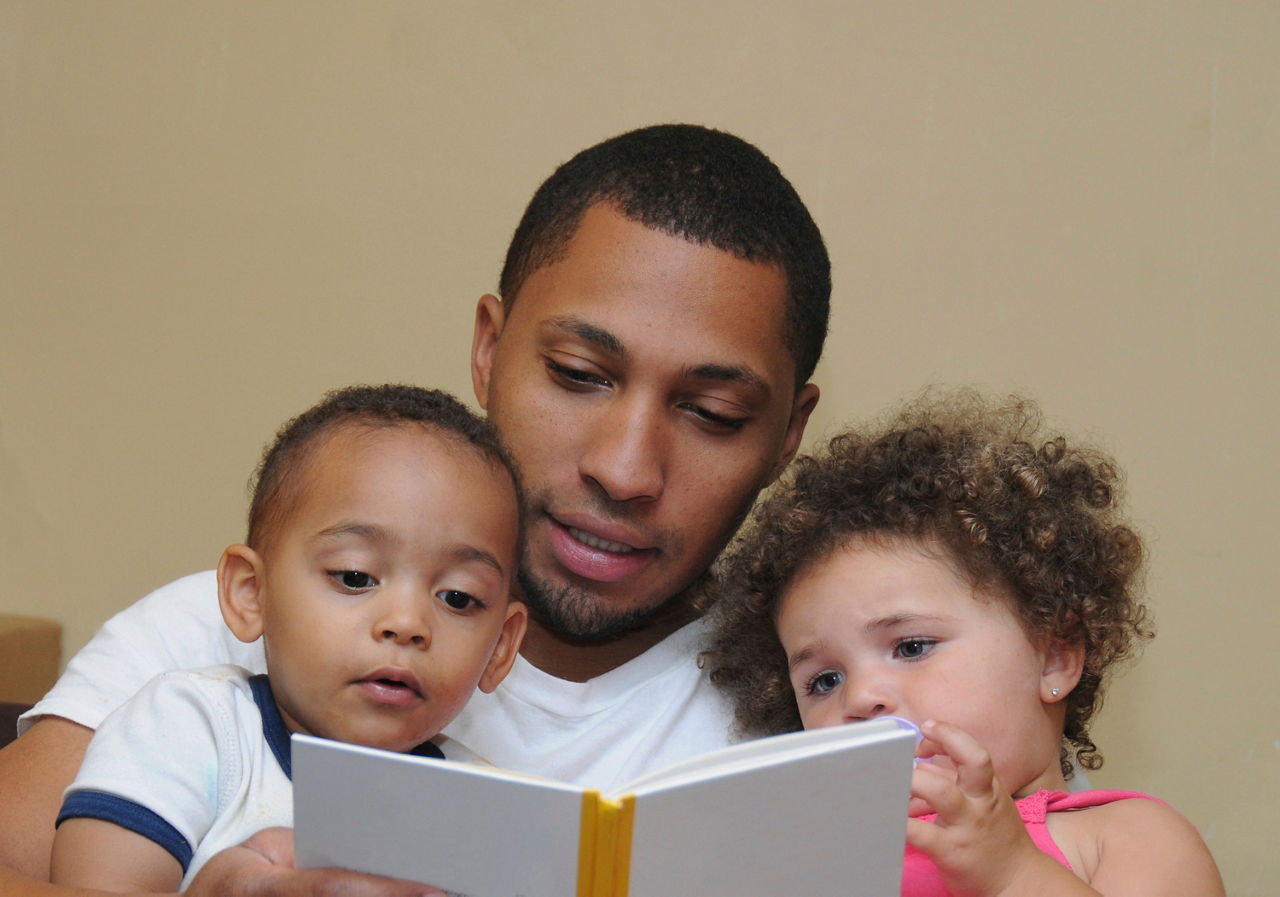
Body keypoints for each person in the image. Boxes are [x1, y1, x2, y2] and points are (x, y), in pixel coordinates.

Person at [0, 123, 830, 896]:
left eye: (712, 413)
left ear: (787, 432)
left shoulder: (821, 705)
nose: (623, 469)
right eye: (578, 373)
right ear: (489, 349)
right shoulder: (230, 637)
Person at [703, 391, 1225, 897]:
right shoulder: (823, 859)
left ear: (1054, 657)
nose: (860, 698)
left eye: (910, 648)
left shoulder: (1127, 836)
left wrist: (1013, 876)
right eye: (824, 680)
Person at [49, 384, 528, 891]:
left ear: (500, 646)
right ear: (251, 593)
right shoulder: (190, 731)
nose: (407, 623)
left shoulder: (485, 808)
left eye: (458, 597)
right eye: (354, 576)